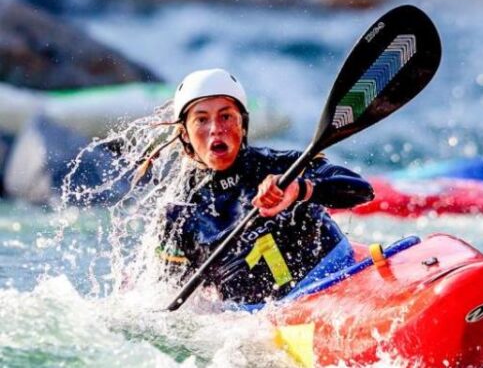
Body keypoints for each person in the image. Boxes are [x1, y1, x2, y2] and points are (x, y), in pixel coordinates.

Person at [145, 68, 374, 305]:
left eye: (226, 116)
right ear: (184, 134)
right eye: (201, 119)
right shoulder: (178, 214)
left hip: (339, 275)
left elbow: (363, 191)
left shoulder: (286, 165)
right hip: (258, 321)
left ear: (243, 124)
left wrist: (300, 189)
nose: (215, 128)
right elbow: (169, 302)